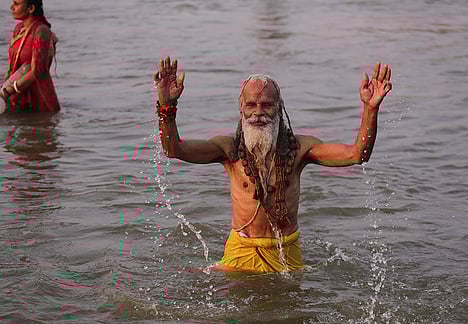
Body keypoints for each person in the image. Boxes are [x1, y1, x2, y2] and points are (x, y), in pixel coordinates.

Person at [153, 56, 392, 272]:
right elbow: (174, 149)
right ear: (241, 109)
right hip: (241, 250)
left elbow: (357, 154)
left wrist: (370, 109)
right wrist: (167, 108)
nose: (259, 112)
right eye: (251, 105)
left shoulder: (299, 149)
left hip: (286, 250)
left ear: (279, 108)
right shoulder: (229, 150)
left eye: (267, 105)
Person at [0, 0, 60, 113]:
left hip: (38, 101)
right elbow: (13, 66)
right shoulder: (18, 29)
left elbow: (37, 70)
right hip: (17, 98)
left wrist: (8, 91)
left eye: (16, 4)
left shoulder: (41, 32)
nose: (11, 7)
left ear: (31, 8)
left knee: (37, 128)